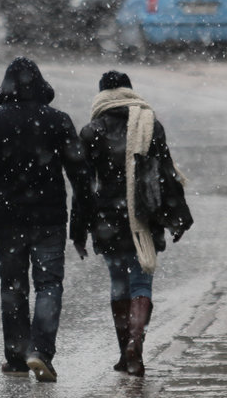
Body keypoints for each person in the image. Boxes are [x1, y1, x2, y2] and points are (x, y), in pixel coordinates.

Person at [0, 57, 86, 383]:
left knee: (13, 286)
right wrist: (81, 224)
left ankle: (17, 356)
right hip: (50, 219)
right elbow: (80, 177)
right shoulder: (58, 121)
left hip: (8, 220)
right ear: (41, 85)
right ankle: (40, 351)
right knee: (49, 285)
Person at [72, 70, 192, 376]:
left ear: (101, 94)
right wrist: (178, 216)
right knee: (141, 282)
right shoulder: (149, 125)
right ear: (130, 91)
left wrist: (79, 230)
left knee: (118, 283)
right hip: (143, 216)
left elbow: (83, 188)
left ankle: (125, 348)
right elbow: (165, 174)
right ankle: (135, 344)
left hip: (107, 219)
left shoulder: (91, 131)